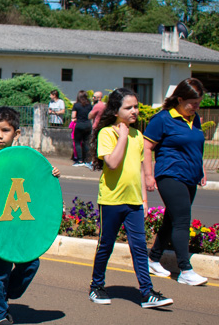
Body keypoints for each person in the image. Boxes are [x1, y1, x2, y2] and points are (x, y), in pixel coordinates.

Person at [0, 107, 61, 325]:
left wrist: (51, 176)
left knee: (31, 263)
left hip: (21, 224)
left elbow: (37, 184)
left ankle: (1, 296)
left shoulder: (26, 157)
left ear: (17, 133)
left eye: (5, 130)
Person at [87, 89, 172, 310]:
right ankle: (96, 286)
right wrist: (122, 135)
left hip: (134, 202)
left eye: (136, 106)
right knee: (106, 245)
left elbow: (140, 172)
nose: (134, 111)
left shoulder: (138, 136)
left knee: (139, 248)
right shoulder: (107, 133)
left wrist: (144, 201)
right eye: (129, 107)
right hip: (112, 200)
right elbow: (113, 163)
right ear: (116, 111)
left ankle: (146, 293)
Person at [144, 78, 209, 286]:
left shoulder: (194, 118)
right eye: (193, 103)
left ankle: (153, 259)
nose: (196, 107)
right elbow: (146, 147)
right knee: (182, 220)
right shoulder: (162, 119)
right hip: (170, 174)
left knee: (172, 219)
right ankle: (185, 270)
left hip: (190, 175)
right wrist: (148, 175)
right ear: (180, 99)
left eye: (199, 102)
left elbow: (197, 145)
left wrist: (202, 169)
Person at [71, 90, 94, 167]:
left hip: (79, 125)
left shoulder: (76, 105)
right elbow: (91, 115)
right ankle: (87, 160)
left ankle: (80, 160)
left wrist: (76, 118)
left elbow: (73, 116)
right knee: (86, 142)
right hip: (88, 125)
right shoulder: (89, 105)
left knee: (77, 142)